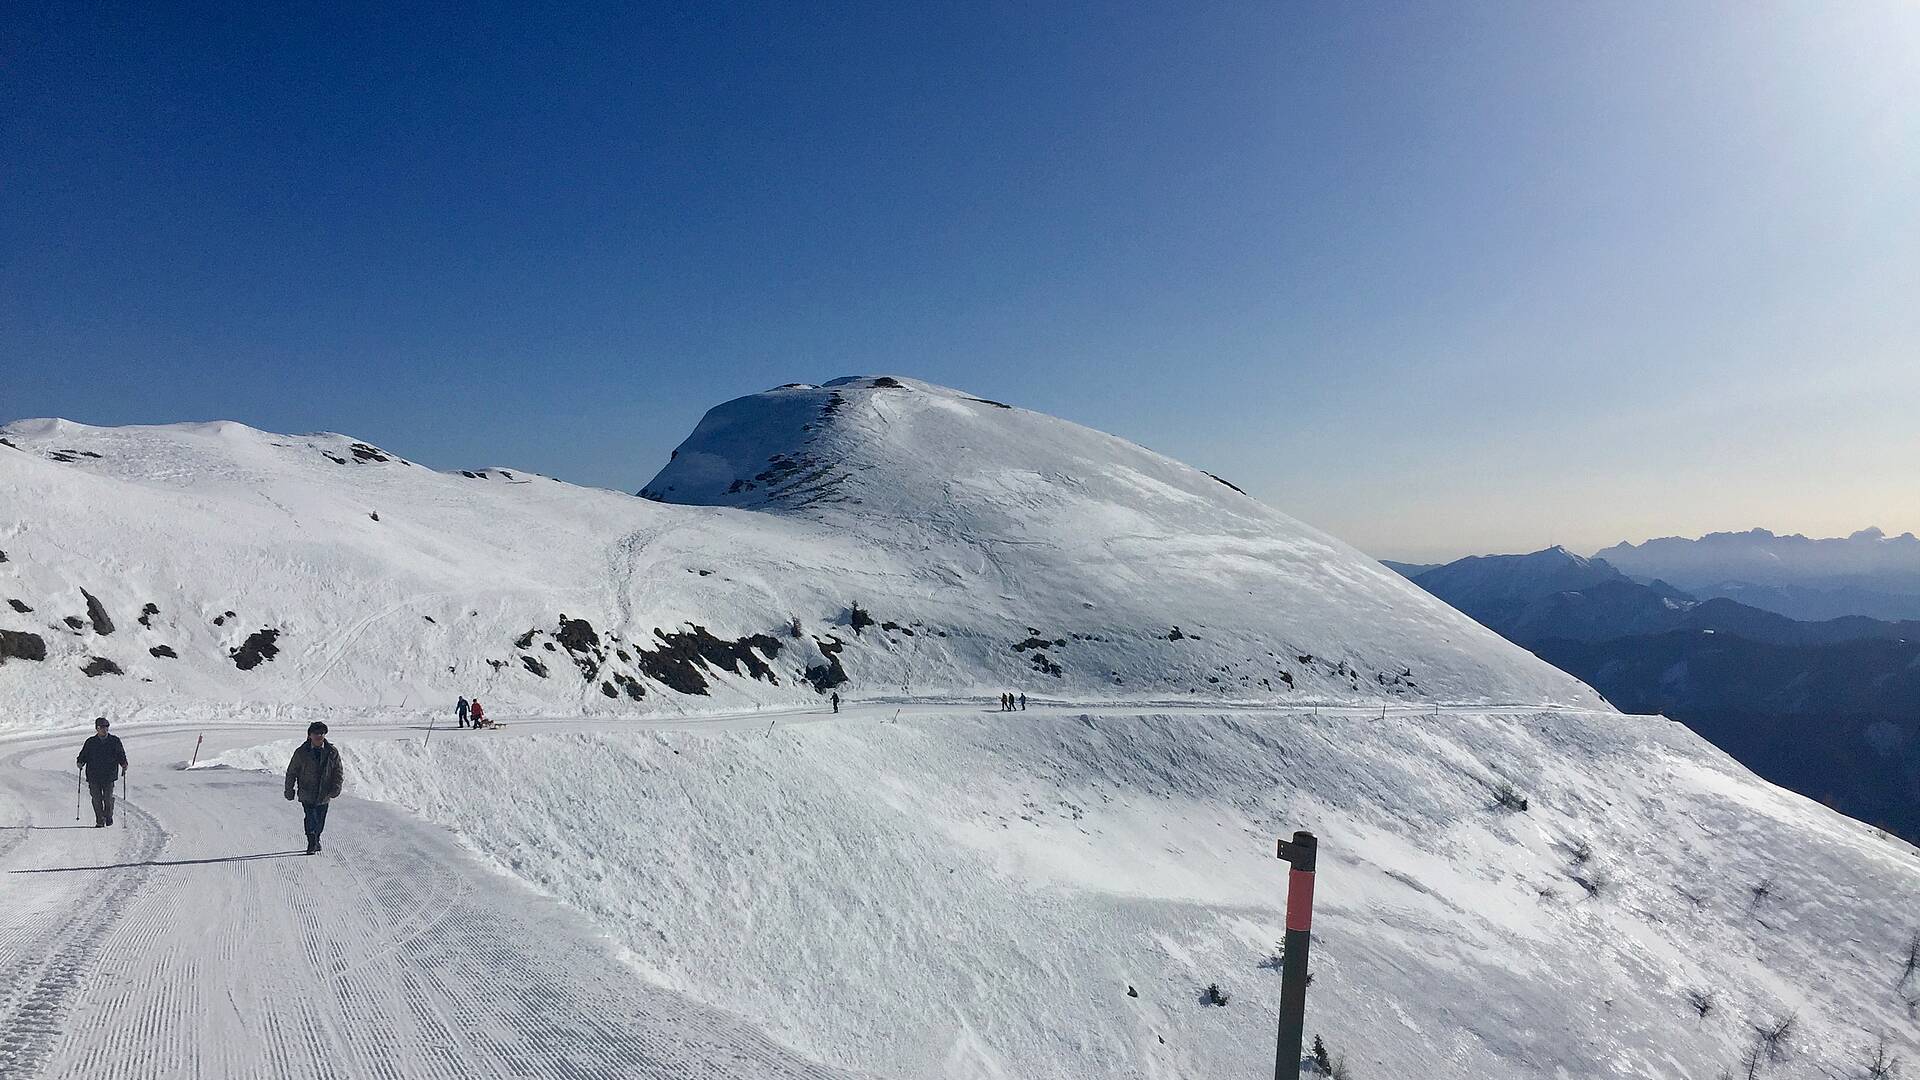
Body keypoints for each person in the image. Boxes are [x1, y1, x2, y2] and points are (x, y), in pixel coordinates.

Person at [284, 721, 344, 854]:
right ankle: (311, 841)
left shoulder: (331, 752)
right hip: (307, 792)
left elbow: (338, 771)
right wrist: (289, 789)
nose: (319, 736)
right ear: (310, 735)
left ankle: (317, 838)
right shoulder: (301, 752)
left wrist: (336, 787)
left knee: (320, 820)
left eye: (322, 733)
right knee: (310, 817)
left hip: (324, 793)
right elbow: (292, 771)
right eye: (316, 733)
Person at [76, 716, 128, 828]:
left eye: (106, 727)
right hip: (93, 775)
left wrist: (124, 764)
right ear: (97, 728)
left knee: (108, 798)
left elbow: (120, 754)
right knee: (96, 798)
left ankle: (108, 816)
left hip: (109, 774)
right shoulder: (90, 742)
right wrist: (80, 762)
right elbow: (83, 755)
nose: (105, 729)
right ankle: (100, 820)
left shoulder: (114, 741)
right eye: (102, 727)